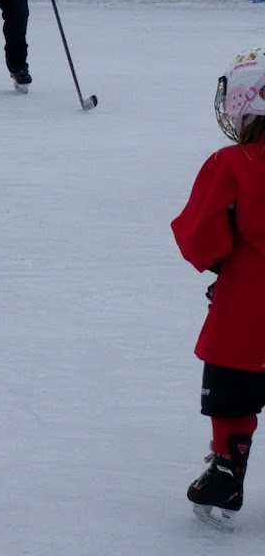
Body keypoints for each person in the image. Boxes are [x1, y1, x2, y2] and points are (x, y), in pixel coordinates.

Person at [171, 47, 265, 530]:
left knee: (234, 389)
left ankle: (227, 473)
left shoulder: (232, 163)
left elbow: (200, 238)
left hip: (249, 311)